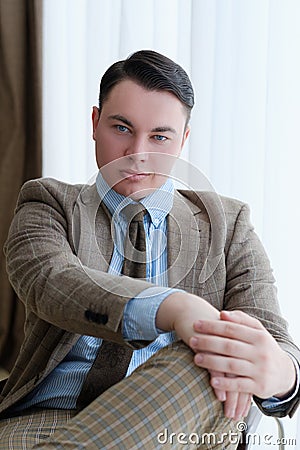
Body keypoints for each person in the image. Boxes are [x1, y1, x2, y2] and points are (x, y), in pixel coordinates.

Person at [0, 50, 299, 449]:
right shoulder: (48, 203)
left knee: (208, 355)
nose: (138, 153)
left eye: (159, 136)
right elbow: (55, 284)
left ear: (182, 141)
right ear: (94, 123)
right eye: (121, 128)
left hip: (189, 423)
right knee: (209, 347)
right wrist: (176, 309)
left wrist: (280, 373)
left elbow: (273, 339)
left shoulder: (228, 225)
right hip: (52, 417)